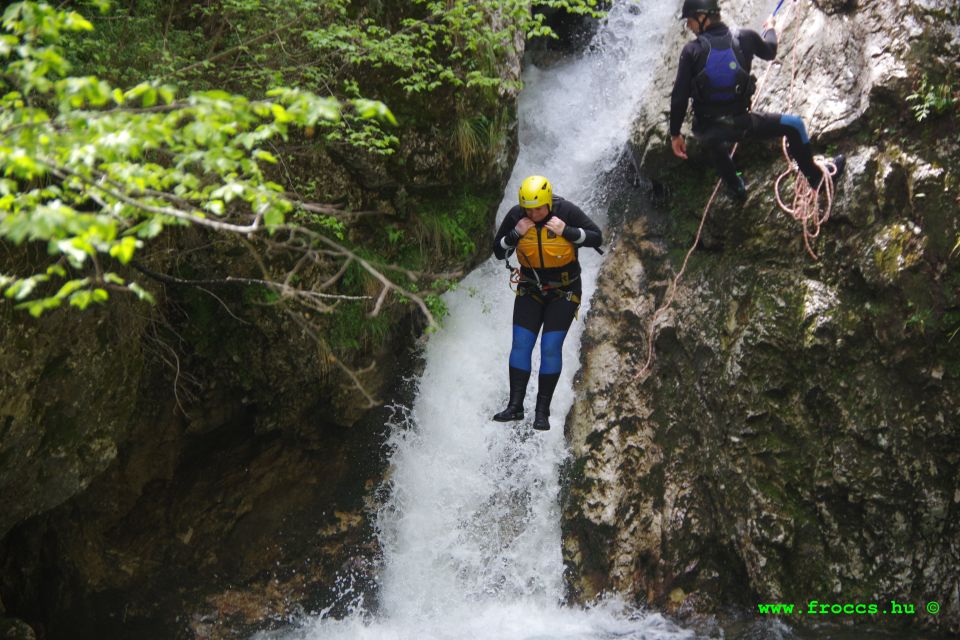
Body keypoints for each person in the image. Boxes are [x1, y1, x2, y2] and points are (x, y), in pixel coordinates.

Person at [669, 0, 845, 201]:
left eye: (690, 21)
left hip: (706, 129)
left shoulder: (691, 51)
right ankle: (816, 179)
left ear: (702, 18)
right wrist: (770, 28)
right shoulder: (746, 37)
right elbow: (770, 51)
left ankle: (736, 188)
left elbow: (679, 97)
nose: (689, 26)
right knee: (795, 125)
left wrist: (675, 135)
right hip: (742, 124)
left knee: (714, 141)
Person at [491, 175, 602, 431]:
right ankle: (515, 406)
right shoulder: (517, 216)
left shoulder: (566, 211)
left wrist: (568, 232)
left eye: (539, 208)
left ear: (548, 202)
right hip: (530, 289)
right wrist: (515, 234)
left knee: (550, 347)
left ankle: (542, 413)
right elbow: (499, 252)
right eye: (529, 208)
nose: (534, 213)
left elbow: (597, 237)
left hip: (564, 291)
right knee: (521, 343)